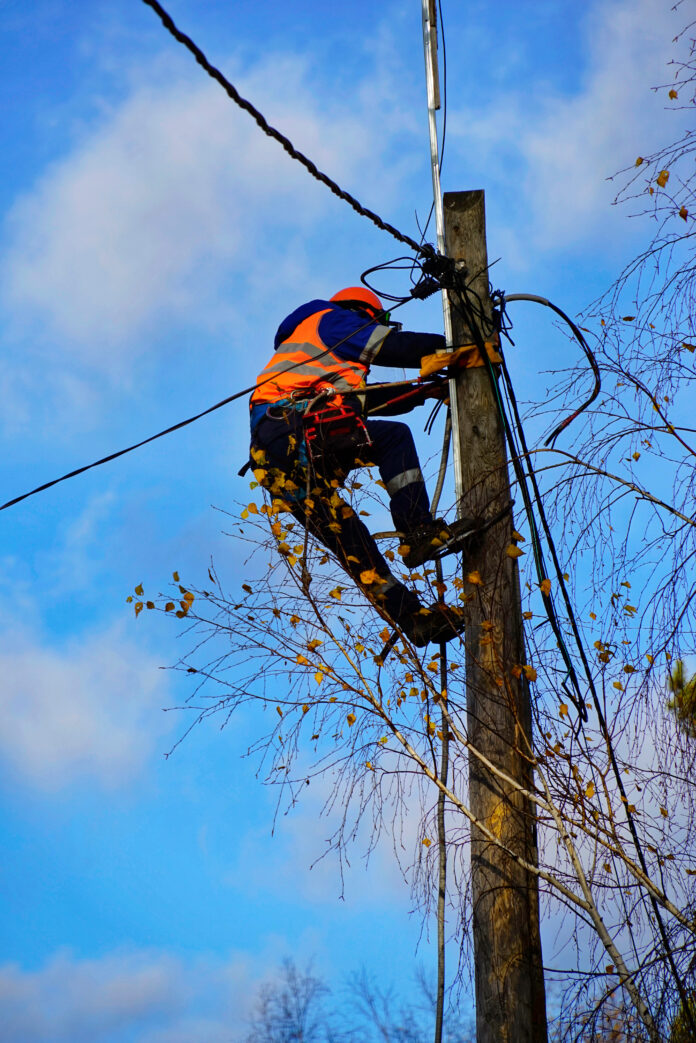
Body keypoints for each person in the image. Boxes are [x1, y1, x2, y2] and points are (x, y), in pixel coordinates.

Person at [247, 285, 478, 646]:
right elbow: (393, 347)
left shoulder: (319, 364)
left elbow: (363, 404)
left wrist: (425, 392)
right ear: (364, 314)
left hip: (276, 456)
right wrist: (460, 345)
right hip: (292, 426)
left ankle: (414, 620)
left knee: (350, 538)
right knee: (393, 439)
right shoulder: (333, 321)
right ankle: (419, 532)